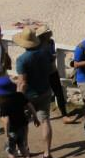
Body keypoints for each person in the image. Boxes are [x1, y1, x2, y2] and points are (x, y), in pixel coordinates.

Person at [14, 27, 53, 158]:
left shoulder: (22, 59)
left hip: (29, 95)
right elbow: (51, 70)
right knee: (45, 121)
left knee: (24, 123)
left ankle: (25, 150)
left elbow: (23, 82)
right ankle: (47, 152)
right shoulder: (45, 53)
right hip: (45, 90)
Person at [0, 75, 38, 158]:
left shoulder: (4, 105)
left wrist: (6, 135)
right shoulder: (20, 95)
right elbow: (30, 106)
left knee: (11, 151)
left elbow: (7, 121)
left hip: (12, 130)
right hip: (23, 127)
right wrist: (35, 118)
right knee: (22, 147)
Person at [37, 25, 74, 124]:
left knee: (59, 93)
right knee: (42, 94)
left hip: (52, 70)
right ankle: (40, 114)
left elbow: (52, 54)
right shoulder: (37, 44)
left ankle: (64, 115)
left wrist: (52, 57)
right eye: (47, 33)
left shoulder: (51, 42)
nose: (49, 34)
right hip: (42, 72)